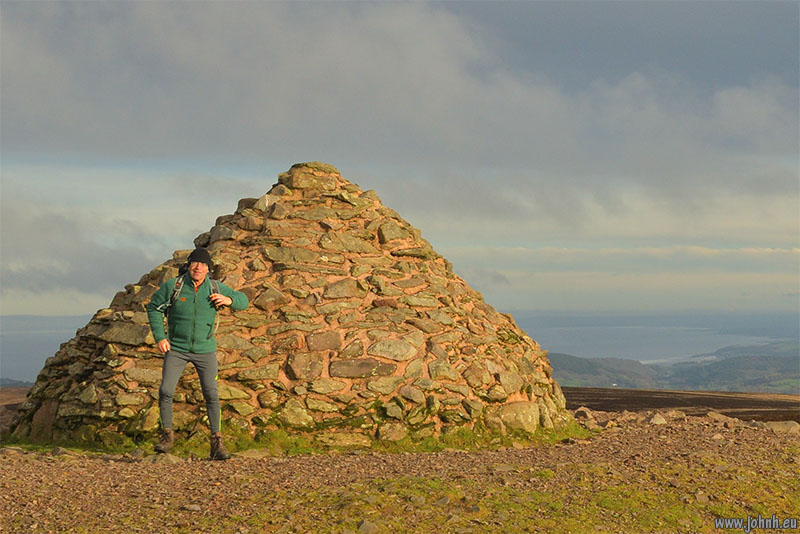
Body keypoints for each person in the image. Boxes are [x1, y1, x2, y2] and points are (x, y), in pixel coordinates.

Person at [146, 247, 249, 460]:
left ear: (208, 268)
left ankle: (217, 443)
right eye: (195, 263)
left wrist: (229, 301)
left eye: (203, 264)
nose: (198, 267)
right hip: (177, 349)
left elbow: (244, 301)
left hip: (205, 350)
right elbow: (154, 308)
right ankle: (166, 436)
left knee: (211, 393)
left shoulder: (214, 287)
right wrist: (160, 337)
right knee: (166, 390)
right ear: (189, 265)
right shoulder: (173, 287)